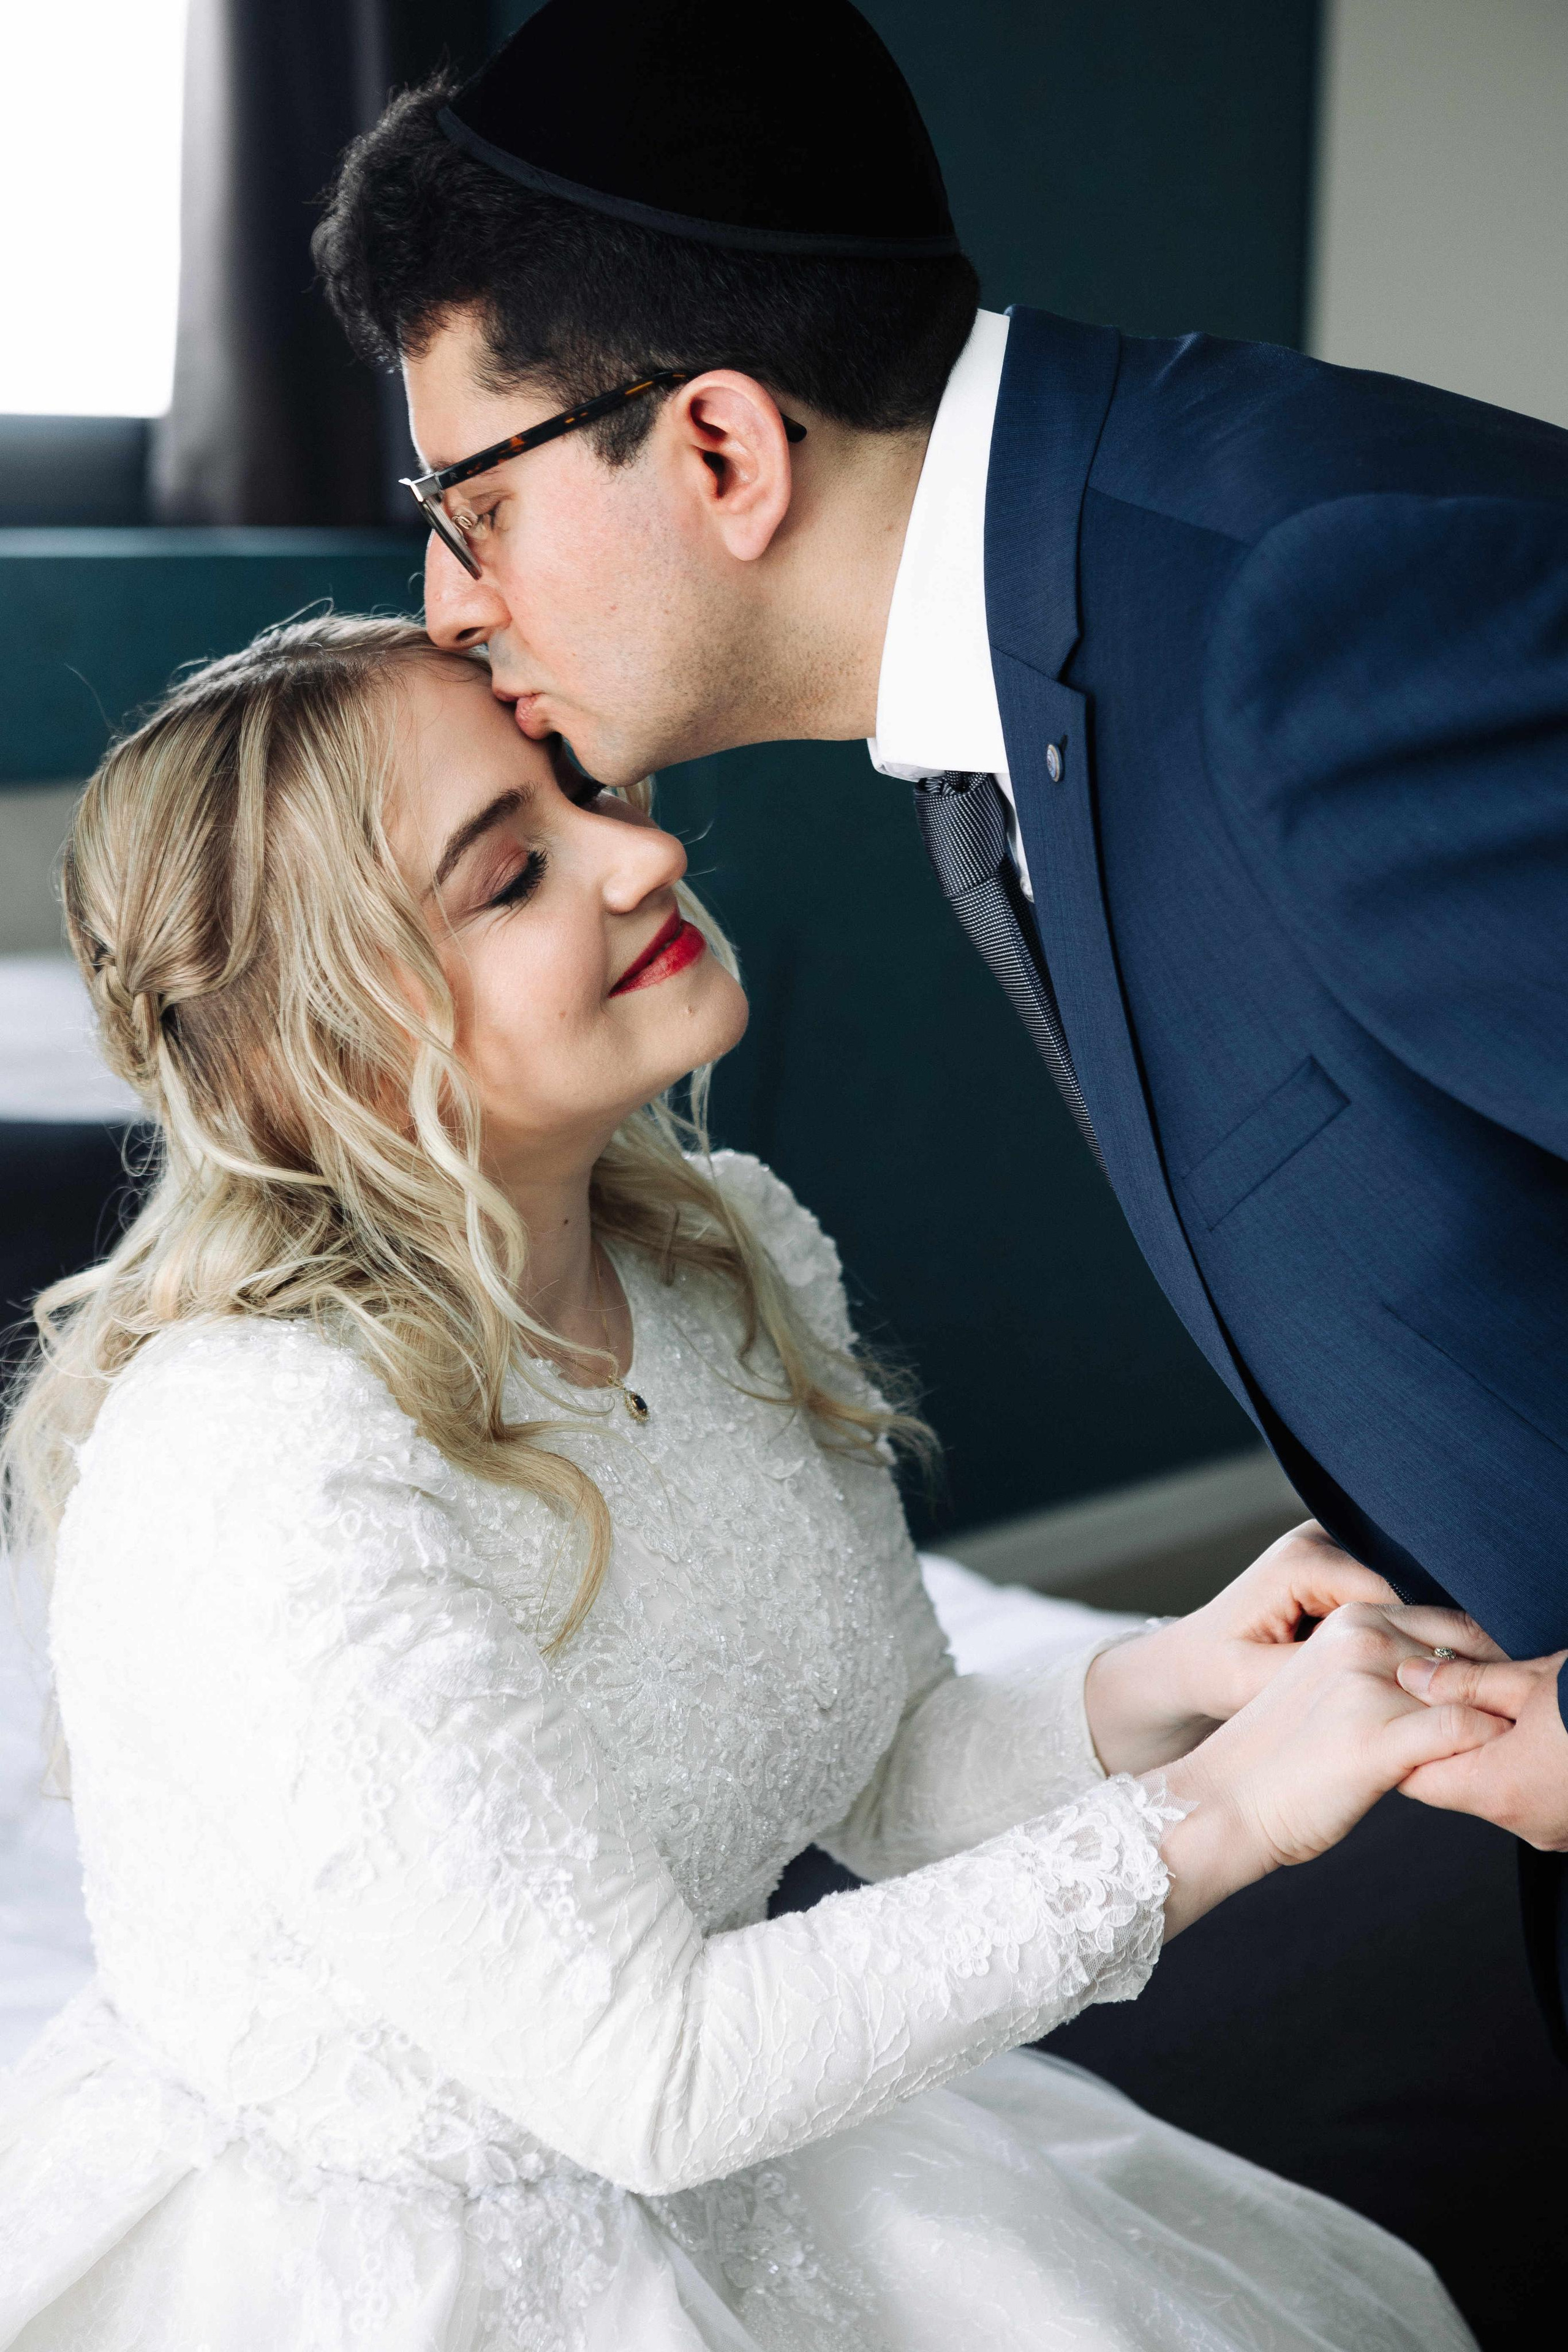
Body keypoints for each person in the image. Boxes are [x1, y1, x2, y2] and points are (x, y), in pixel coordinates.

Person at [0, 617, 1497, 2348]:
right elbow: (647, 2076)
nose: (646, 851)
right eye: (514, 874)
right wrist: (1224, 1818)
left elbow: (877, 1776)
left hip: (754, 2158)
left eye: (585, 791)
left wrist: (1177, 1681)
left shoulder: (729, 1255)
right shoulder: (263, 1457)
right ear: (322, 1053)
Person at [311, 0, 1568, 2025]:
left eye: (472, 502)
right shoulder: (1036, 658)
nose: (453, 598)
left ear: (720, 445)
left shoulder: (1319, 624)